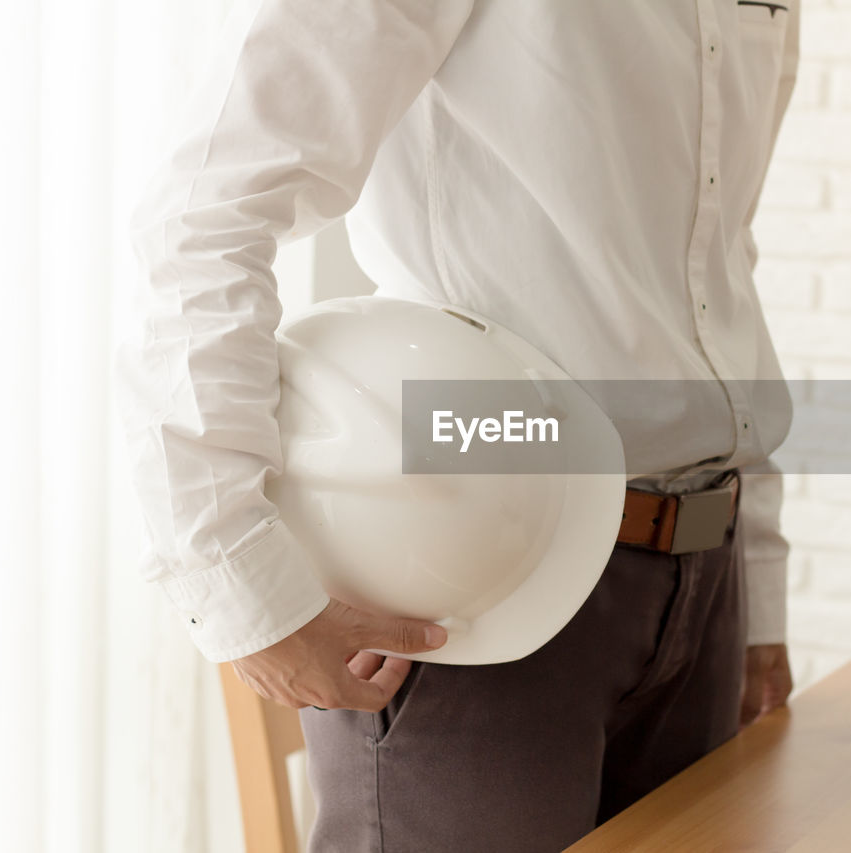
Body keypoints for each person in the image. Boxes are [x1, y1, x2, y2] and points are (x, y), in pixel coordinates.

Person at [119, 1, 799, 850]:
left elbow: (713, 264)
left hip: (704, 578)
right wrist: (237, 580)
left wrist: (757, 590)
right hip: (476, 579)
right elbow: (208, 210)